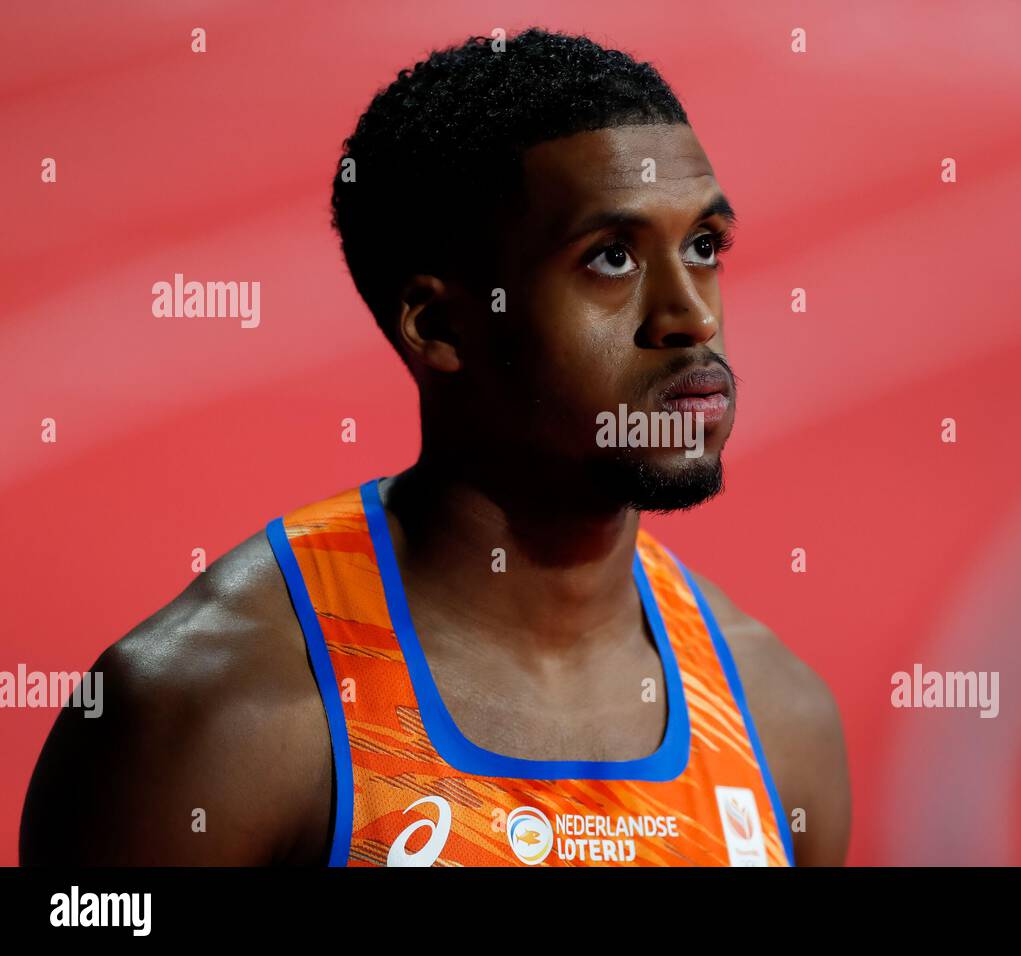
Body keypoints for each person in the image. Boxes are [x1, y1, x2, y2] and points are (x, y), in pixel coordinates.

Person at [20, 27, 850, 867]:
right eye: (610, 258)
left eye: (703, 246)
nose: (692, 317)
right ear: (442, 325)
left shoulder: (779, 726)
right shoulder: (215, 717)